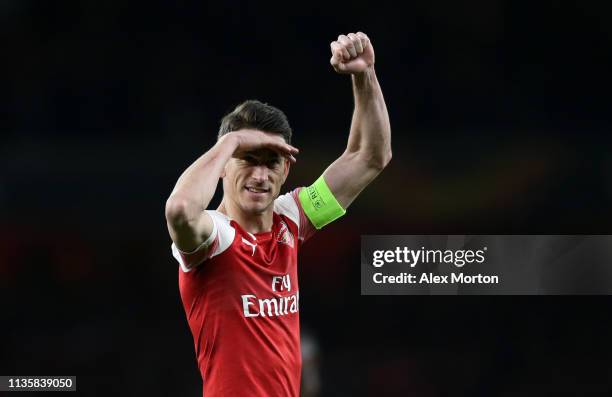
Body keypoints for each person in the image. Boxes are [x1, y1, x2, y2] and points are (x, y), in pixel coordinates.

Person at [165, 31, 391, 397]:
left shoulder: (292, 218)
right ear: (223, 164)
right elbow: (179, 209)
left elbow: (371, 156)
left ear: (286, 169)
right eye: (247, 160)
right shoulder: (214, 238)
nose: (260, 175)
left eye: (271, 163)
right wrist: (230, 141)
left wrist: (364, 76)